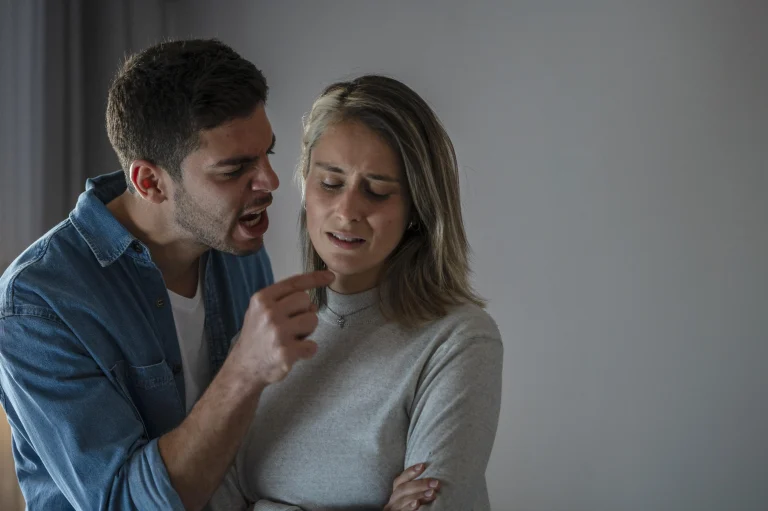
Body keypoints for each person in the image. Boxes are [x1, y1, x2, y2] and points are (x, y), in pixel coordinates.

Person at [0, 38, 337, 510]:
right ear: (150, 182)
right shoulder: (37, 303)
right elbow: (121, 503)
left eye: (268, 154)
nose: (270, 182)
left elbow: (256, 445)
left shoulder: (237, 246)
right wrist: (244, 370)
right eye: (234, 170)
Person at [210, 75, 503, 511]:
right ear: (305, 186)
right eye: (330, 184)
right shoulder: (265, 332)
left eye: (377, 191)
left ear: (417, 208)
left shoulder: (458, 340)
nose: (347, 211)